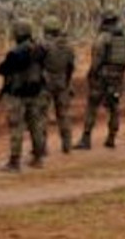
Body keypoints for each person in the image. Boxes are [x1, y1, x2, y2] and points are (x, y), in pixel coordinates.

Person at [0, 19, 48, 171]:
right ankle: (38, 157)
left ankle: (14, 161)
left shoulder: (15, 53)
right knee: (35, 126)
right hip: (35, 92)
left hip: (17, 94)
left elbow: (2, 69)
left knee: (16, 128)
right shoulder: (39, 49)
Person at [75, 10, 125, 149]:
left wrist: (92, 74)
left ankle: (86, 138)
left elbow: (97, 60)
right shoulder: (123, 38)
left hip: (102, 77)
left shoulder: (103, 38)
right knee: (114, 107)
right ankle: (111, 137)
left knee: (92, 106)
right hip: (117, 76)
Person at [39, 16, 76, 154]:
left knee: (42, 115)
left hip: (46, 84)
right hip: (62, 83)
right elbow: (71, 67)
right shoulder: (67, 47)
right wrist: (67, 82)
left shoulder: (43, 46)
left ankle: (42, 148)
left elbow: (36, 64)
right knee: (64, 115)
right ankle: (67, 145)